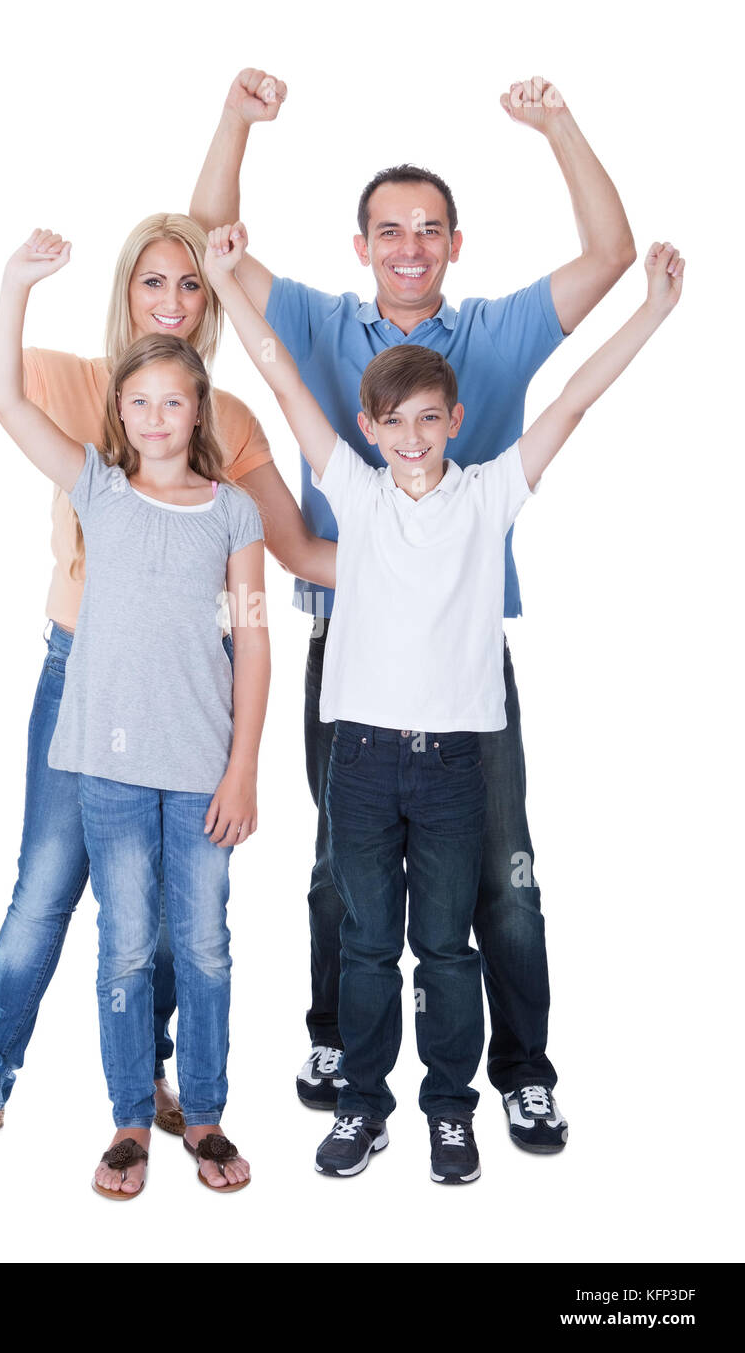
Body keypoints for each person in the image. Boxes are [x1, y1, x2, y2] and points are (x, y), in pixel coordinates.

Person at [191, 72, 637, 1145]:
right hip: (344, 645)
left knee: (500, 871)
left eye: (427, 230)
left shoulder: (496, 332)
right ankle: (344, 1041)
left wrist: (556, 124)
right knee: (339, 867)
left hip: (462, 662)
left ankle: (518, 1069)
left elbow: (610, 258)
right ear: (361, 246)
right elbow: (212, 247)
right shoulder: (308, 318)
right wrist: (236, 122)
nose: (407, 247)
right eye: (388, 230)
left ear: (453, 243)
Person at [0, 160, 335, 1166]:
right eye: (153, 281)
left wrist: (427, 551)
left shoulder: (229, 428)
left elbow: (288, 568)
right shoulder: (83, 389)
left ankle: (157, 1082)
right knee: (47, 885)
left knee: (182, 919)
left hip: (192, 691)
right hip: (81, 676)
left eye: (192, 284)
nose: (173, 303)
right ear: (125, 293)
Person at [0, 226, 269, 1196]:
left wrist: (243, 769)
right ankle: (128, 1122)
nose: (155, 415)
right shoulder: (95, 489)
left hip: (200, 766)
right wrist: (17, 282)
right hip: (104, 762)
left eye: (174, 400)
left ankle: (210, 1113)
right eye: (137, 400)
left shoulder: (235, 512)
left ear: (200, 412)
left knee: (203, 944)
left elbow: (256, 639)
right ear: (119, 410)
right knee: (125, 942)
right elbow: (4, 396)